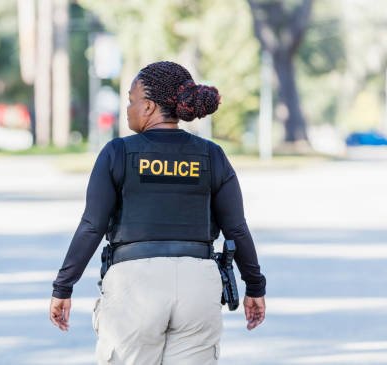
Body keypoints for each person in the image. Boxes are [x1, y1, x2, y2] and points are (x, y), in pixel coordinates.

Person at [49, 61, 266, 364]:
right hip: (198, 285)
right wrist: (254, 286)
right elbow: (237, 228)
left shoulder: (117, 153)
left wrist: (63, 286)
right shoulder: (211, 155)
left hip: (134, 285)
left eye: (131, 100)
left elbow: (91, 225)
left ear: (149, 106)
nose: (128, 108)